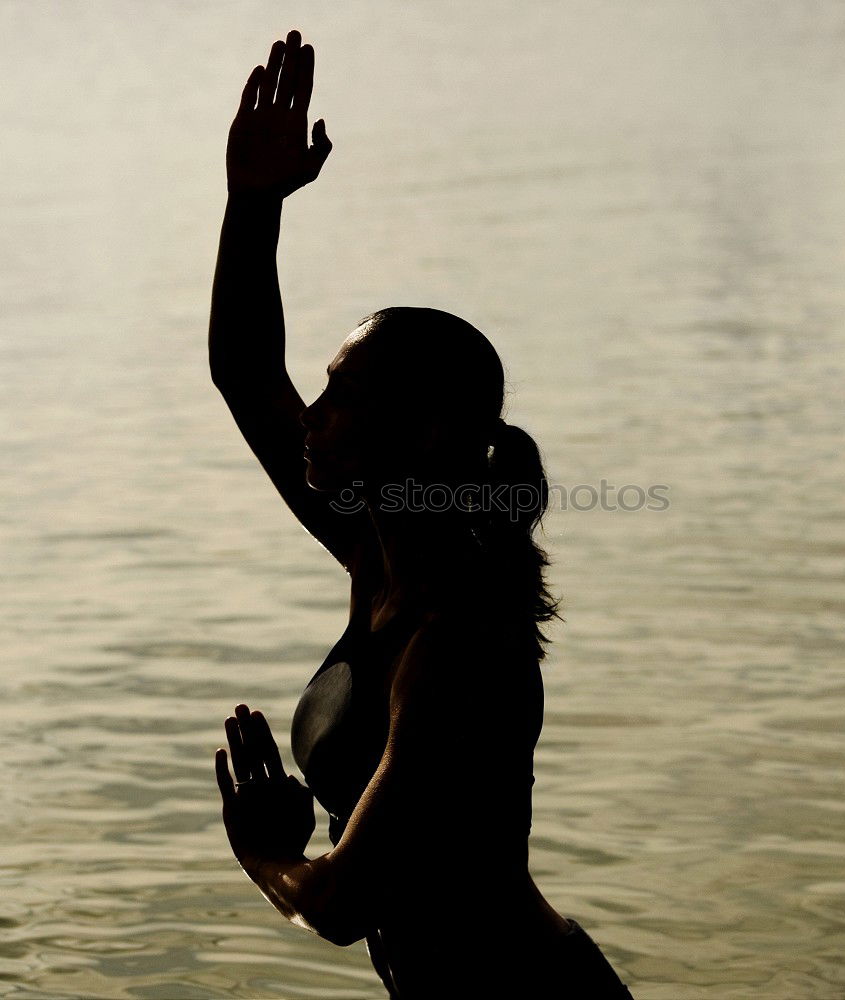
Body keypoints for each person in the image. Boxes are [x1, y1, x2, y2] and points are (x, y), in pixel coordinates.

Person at [209, 29, 635, 1000]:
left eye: (345, 399)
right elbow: (242, 372)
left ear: (432, 434)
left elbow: (341, 905)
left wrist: (266, 851)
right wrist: (252, 204)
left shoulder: (460, 646)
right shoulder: (377, 560)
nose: (311, 419)